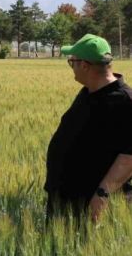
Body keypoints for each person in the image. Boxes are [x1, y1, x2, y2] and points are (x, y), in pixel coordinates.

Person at [45, 34, 132, 222]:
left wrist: (102, 195)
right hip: (62, 200)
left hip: (91, 205)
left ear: (84, 65)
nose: (71, 67)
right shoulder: (88, 92)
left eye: (72, 61)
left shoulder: (126, 101)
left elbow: (130, 156)